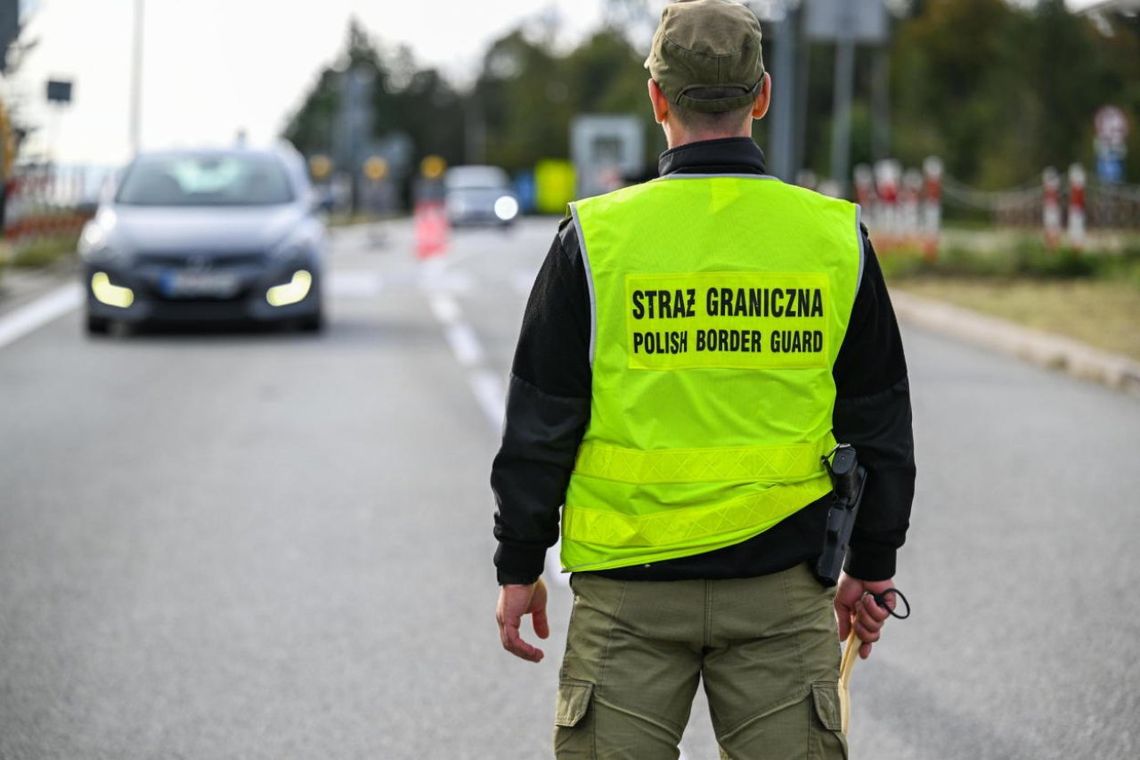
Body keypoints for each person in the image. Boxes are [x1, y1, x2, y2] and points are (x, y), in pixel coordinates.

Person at [491, 1, 915, 757]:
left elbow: (539, 425)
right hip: (783, 598)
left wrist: (520, 564)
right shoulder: (834, 238)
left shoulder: (593, 241)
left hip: (627, 598)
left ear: (657, 99)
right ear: (763, 95)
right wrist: (873, 567)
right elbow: (879, 421)